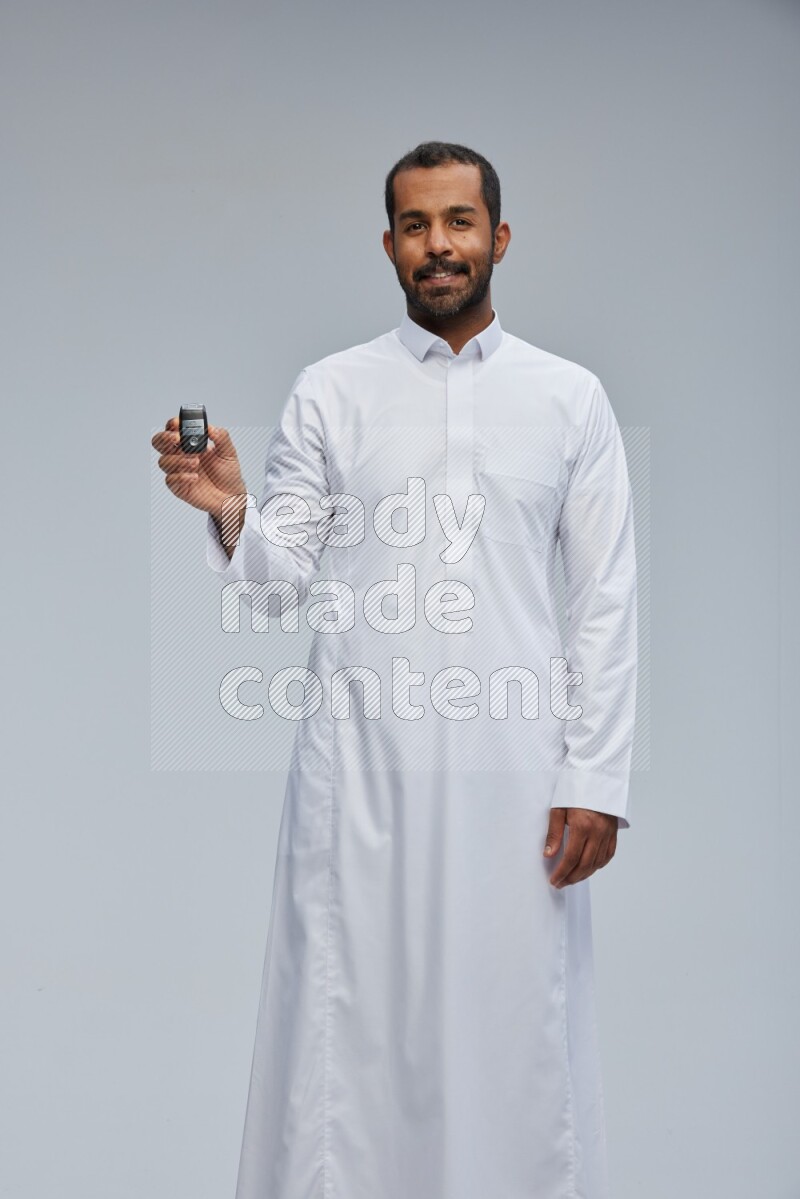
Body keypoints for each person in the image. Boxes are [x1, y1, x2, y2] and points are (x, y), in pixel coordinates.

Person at [152, 140, 638, 1199]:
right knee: (348, 1043)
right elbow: (279, 577)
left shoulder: (569, 401)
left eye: (458, 222)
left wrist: (592, 779)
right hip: (360, 776)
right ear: (387, 245)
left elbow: (602, 601)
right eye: (415, 226)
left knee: (516, 1037)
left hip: (518, 782)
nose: (438, 246)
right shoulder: (333, 391)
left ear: (497, 239)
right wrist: (227, 504)